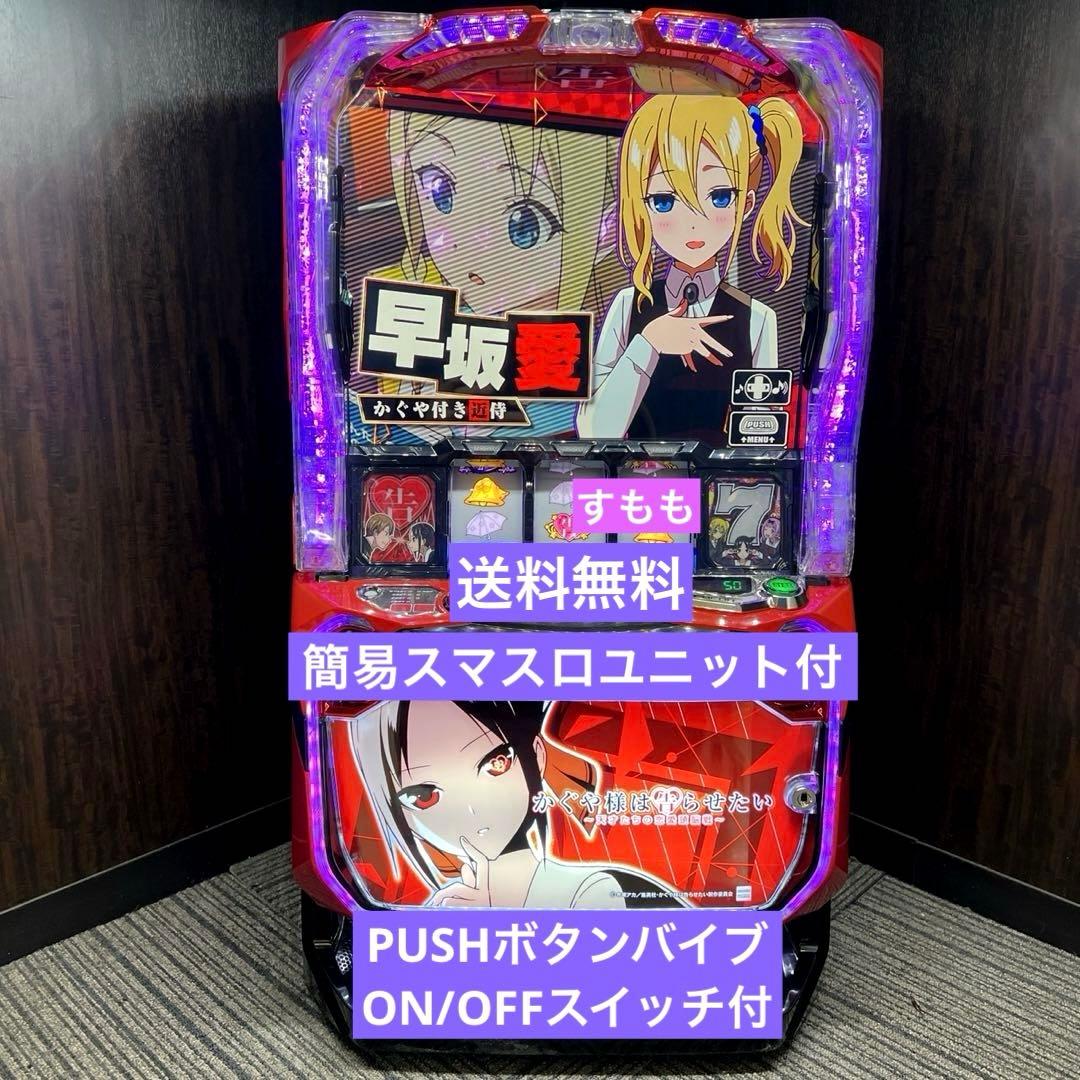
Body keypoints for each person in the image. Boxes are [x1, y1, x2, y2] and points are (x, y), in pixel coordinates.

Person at [360, 111, 623, 442]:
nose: (465, 241)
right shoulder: (432, 317)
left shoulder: (608, 338)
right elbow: (392, 422)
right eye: (440, 192)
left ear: (607, 227)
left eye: (523, 223)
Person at [577, 93, 806, 441]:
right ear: (641, 206)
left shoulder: (758, 318)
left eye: (719, 197)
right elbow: (593, 430)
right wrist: (650, 342)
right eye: (665, 201)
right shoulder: (628, 305)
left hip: (717, 476)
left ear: (745, 204)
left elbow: (761, 433)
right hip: (627, 476)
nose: (694, 222)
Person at [349, 700, 685, 909]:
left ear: (536, 754)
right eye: (424, 795)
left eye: (496, 763)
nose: (471, 810)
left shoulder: (593, 891)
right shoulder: (447, 904)